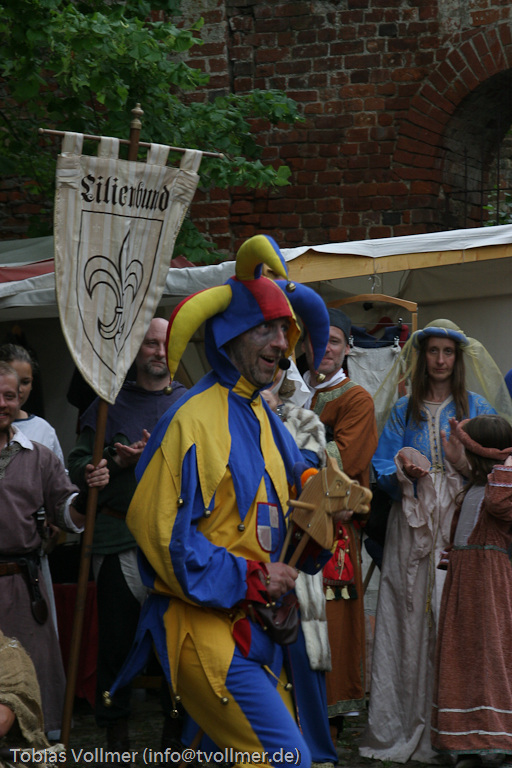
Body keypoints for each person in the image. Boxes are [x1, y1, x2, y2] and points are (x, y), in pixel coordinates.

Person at [108, 235, 345, 764]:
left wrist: (333, 505)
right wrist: (252, 577)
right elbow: (162, 538)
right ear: (230, 335)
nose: (280, 343)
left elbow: (299, 500)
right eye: (265, 328)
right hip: (203, 630)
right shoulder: (190, 421)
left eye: (285, 330)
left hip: (254, 627)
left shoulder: (263, 415)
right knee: (287, 758)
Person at [360, 320, 505, 764]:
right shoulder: (403, 410)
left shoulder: (476, 406)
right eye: (433, 351)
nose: (440, 359)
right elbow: (380, 465)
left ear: (458, 359)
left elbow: (495, 460)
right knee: (407, 614)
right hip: (413, 518)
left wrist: (461, 466)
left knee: (456, 617)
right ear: (422, 356)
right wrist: (405, 470)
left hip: (461, 522)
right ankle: (403, 723)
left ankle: (458, 728)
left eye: (448, 352)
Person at [67, 317, 186, 752]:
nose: (159, 352)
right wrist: (114, 463)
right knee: (116, 644)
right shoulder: (108, 404)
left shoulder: (191, 403)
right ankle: (115, 741)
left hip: (175, 544)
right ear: (136, 351)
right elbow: (78, 464)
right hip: (118, 539)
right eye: (150, 344)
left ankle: (174, 740)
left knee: (177, 644)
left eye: (166, 344)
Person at [0, 361, 107, 735]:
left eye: (9, 395)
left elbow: (66, 511)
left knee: (30, 685)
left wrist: (88, 494)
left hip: (21, 588)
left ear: (19, 399)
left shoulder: (38, 456)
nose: (3, 403)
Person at [302, 307, 378, 740]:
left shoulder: (356, 399)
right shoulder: (290, 392)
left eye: (333, 340)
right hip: (288, 528)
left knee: (329, 623)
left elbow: (344, 465)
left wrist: (294, 444)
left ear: (347, 348)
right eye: (317, 339)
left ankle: (327, 727)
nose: (324, 348)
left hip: (333, 533)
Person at [431, 415, 512, 768]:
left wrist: (507, 464)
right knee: (460, 655)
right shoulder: (475, 487)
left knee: (489, 657)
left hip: (489, 586)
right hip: (463, 586)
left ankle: (496, 738)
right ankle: (465, 739)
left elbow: (498, 505)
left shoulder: (501, 490)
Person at [0, 344, 65, 648]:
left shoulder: (41, 433)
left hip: (27, 563)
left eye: (25, 383)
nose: (19, 389)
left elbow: (60, 495)